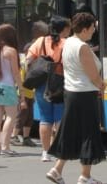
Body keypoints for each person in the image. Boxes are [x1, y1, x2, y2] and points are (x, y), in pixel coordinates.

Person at [45, 12, 106, 184]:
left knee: (69, 132)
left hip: (71, 92)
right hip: (85, 94)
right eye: (93, 28)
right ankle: (85, 177)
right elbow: (93, 75)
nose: (94, 31)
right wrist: (102, 84)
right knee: (89, 134)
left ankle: (56, 170)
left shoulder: (69, 42)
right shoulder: (82, 47)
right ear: (85, 29)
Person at [28, 17, 69, 162]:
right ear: (64, 29)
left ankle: (45, 152)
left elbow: (28, 60)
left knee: (45, 118)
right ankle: (58, 149)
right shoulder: (66, 43)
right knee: (59, 118)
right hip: (59, 83)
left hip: (42, 84)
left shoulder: (40, 42)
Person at [0, 23, 23, 156]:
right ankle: (6, 146)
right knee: (10, 117)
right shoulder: (11, 51)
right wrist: (21, 91)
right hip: (7, 86)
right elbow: (15, 73)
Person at [11, 24, 39, 149]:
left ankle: (26, 137)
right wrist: (22, 97)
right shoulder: (25, 64)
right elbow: (22, 80)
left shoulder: (30, 63)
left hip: (30, 94)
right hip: (23, 94)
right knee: (21, 116)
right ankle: (14, 135)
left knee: (29, 117)